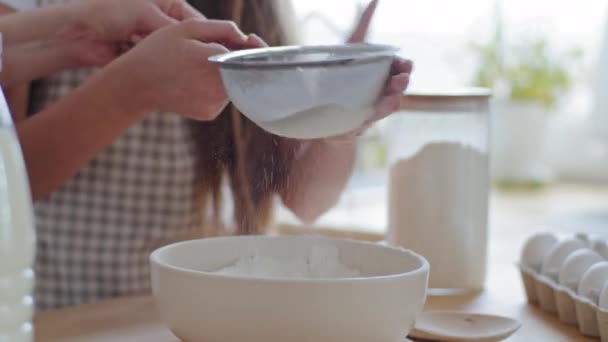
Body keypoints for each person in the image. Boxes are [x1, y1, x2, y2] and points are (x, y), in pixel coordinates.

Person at [1, 0, 412, 310]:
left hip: (208, 311)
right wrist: (129, 91)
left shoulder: (251, 8)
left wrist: (338, 117)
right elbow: (11, 181)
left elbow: (305, 199)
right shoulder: (29, 12)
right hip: (59, 313)